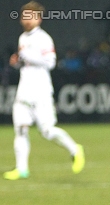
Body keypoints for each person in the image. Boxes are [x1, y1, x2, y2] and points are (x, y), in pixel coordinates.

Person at [4, 1, 84, 181]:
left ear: (38, 19)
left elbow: (50, 62)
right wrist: (17, 62)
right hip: (24, 90)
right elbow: (27, 64)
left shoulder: (43, 38)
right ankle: (22, 169)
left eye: (30, 17)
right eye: (24, 17)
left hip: (41, 91)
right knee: (21, 129)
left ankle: (75, 149)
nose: (26, 20)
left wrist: (28, 56)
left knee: (47, 131)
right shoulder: (23, 38)